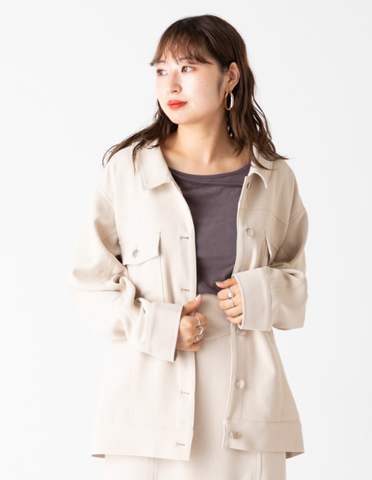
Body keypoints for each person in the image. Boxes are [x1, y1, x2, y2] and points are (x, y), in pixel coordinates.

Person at [66, 14, 309, 480]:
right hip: (147, 410)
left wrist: (259, 294)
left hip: (247, 411)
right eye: (161, 70)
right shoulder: (127, 172)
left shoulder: (274, 177)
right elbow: (88, 282)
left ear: (230, 76)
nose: (171, 84)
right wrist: (159, 328)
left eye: (188, 68)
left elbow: (295, 278)